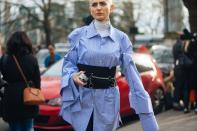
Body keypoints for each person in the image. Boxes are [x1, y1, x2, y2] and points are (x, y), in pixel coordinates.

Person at [60, 0, 158, 131]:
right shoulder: (78, 35)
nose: (98, 8)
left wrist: (148, 119)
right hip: (83, 99)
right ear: (90, 9)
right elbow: (69, 63)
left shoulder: (121, 38)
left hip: (108, 100)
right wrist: (72, 75)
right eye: (94, 5)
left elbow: (132, 76)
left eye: (102, 3)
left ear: (111, 7)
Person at [0, 31, 40, 131]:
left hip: (10, 98)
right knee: (29, 128)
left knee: (15, 128)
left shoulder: (4, 58)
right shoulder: (32, 59)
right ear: (26, 42)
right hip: (28, 98)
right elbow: (37, 81)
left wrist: (3, 88)